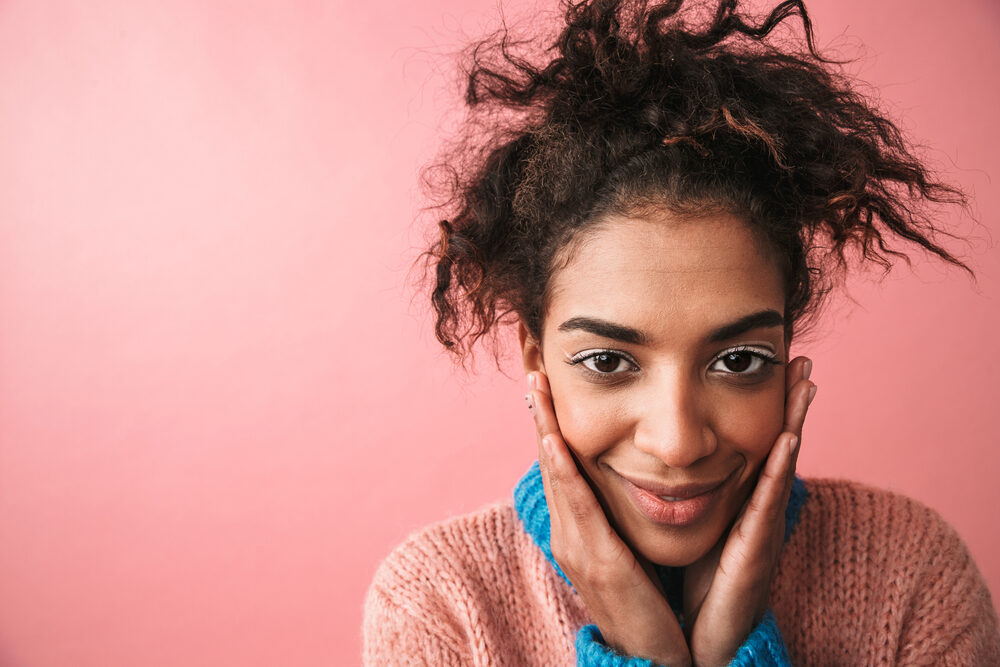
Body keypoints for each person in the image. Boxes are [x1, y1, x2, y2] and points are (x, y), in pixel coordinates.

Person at [363, 0, 1000, 664]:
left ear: (788, 358)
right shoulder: (441, 605)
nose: (678, 442)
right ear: (536, 357)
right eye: (609, 361)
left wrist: (737, 645)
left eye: (739, 360)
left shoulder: (910, 577)